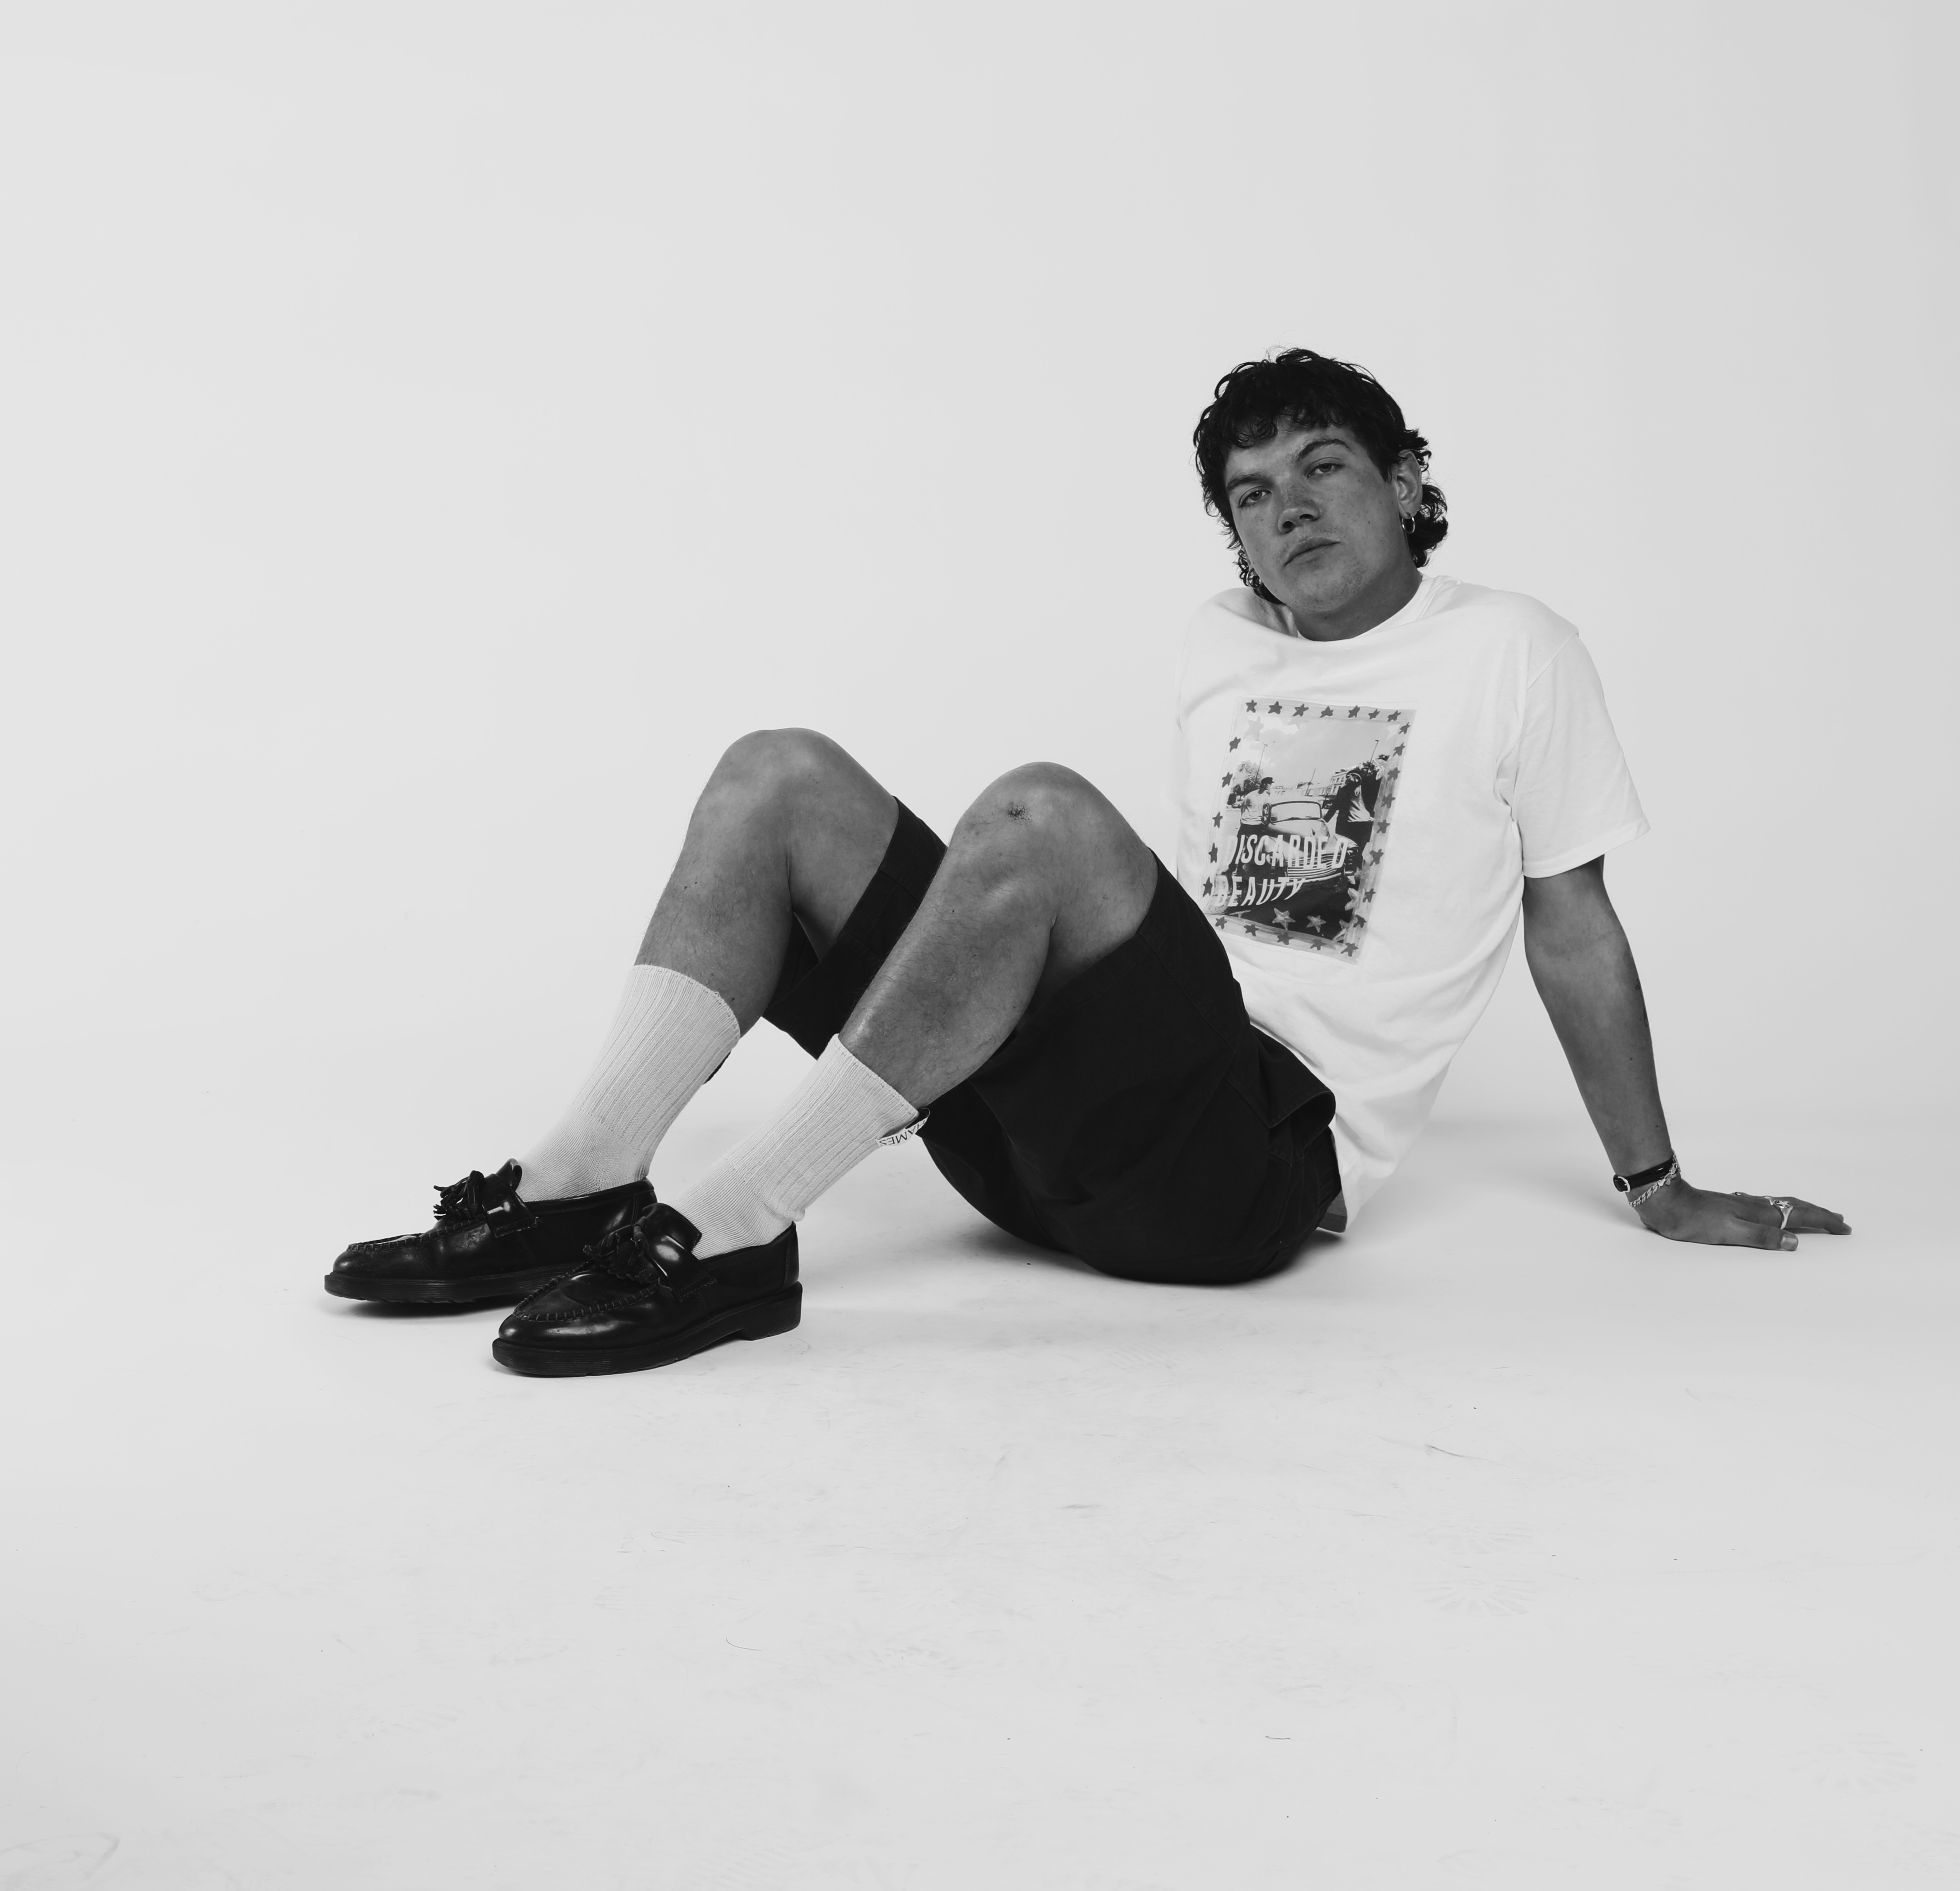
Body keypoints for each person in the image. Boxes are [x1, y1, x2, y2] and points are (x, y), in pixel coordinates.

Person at [326, 349, 1847, 1376]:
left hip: (1248, 1175)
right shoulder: (1219, 644)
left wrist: (1659, 1188)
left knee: (1043, 813)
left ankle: (734, 1230)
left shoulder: (1514, 650)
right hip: (1055, 1148)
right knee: (775, 776)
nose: (1290, 510)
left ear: (1403, 482)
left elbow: (1570, 925)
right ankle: (576, 1190)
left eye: (1325, 468)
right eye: (1253, 496)